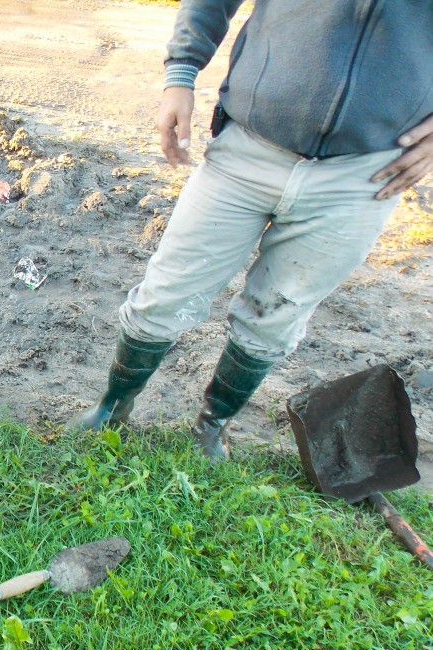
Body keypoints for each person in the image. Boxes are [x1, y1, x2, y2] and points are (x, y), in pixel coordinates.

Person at [75, 0, 433, 460]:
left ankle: (211, 427)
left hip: (364, 175)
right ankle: (111, 410)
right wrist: (181, 74)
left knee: (276, 315)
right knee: (166, 292)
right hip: (248, 145)